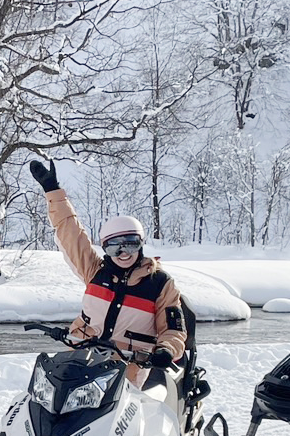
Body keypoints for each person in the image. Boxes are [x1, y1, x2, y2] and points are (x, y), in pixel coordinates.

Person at [28, 158, 187, 380]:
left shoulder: (160, 283)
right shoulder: (95, 271)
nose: (123, 253)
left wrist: (166, 350)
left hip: (128, 368)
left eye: (130, 244)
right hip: (81, 356)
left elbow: (173, 330)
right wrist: (53, 191)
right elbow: (71, 234)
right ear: (105, 248)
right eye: (115, 247)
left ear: (140, 244)